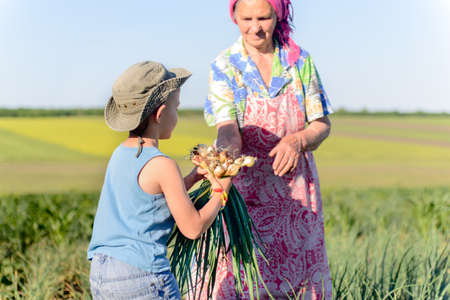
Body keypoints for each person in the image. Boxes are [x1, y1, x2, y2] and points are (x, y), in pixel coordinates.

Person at [196, 0, 334, 298]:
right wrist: (226, 154)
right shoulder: (224, 65)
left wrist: (297, 141)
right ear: (233, 16)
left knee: (298, 283)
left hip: (296, 192)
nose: (255, 27)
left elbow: (321, 125)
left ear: (278, 15)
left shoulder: (300, 62)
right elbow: (227, 128)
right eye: (246, 18)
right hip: (245, 193)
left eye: (263, 17)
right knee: (242, 278)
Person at [87, 61, 231, 299]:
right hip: (142, 275)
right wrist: (221, 190)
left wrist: (193, 178)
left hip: (102, 273)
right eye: (176, 108)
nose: (177, 115)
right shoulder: (162, 164)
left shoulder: (120, 154)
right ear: (161, 114)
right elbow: (193, 228)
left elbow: (148, 200)